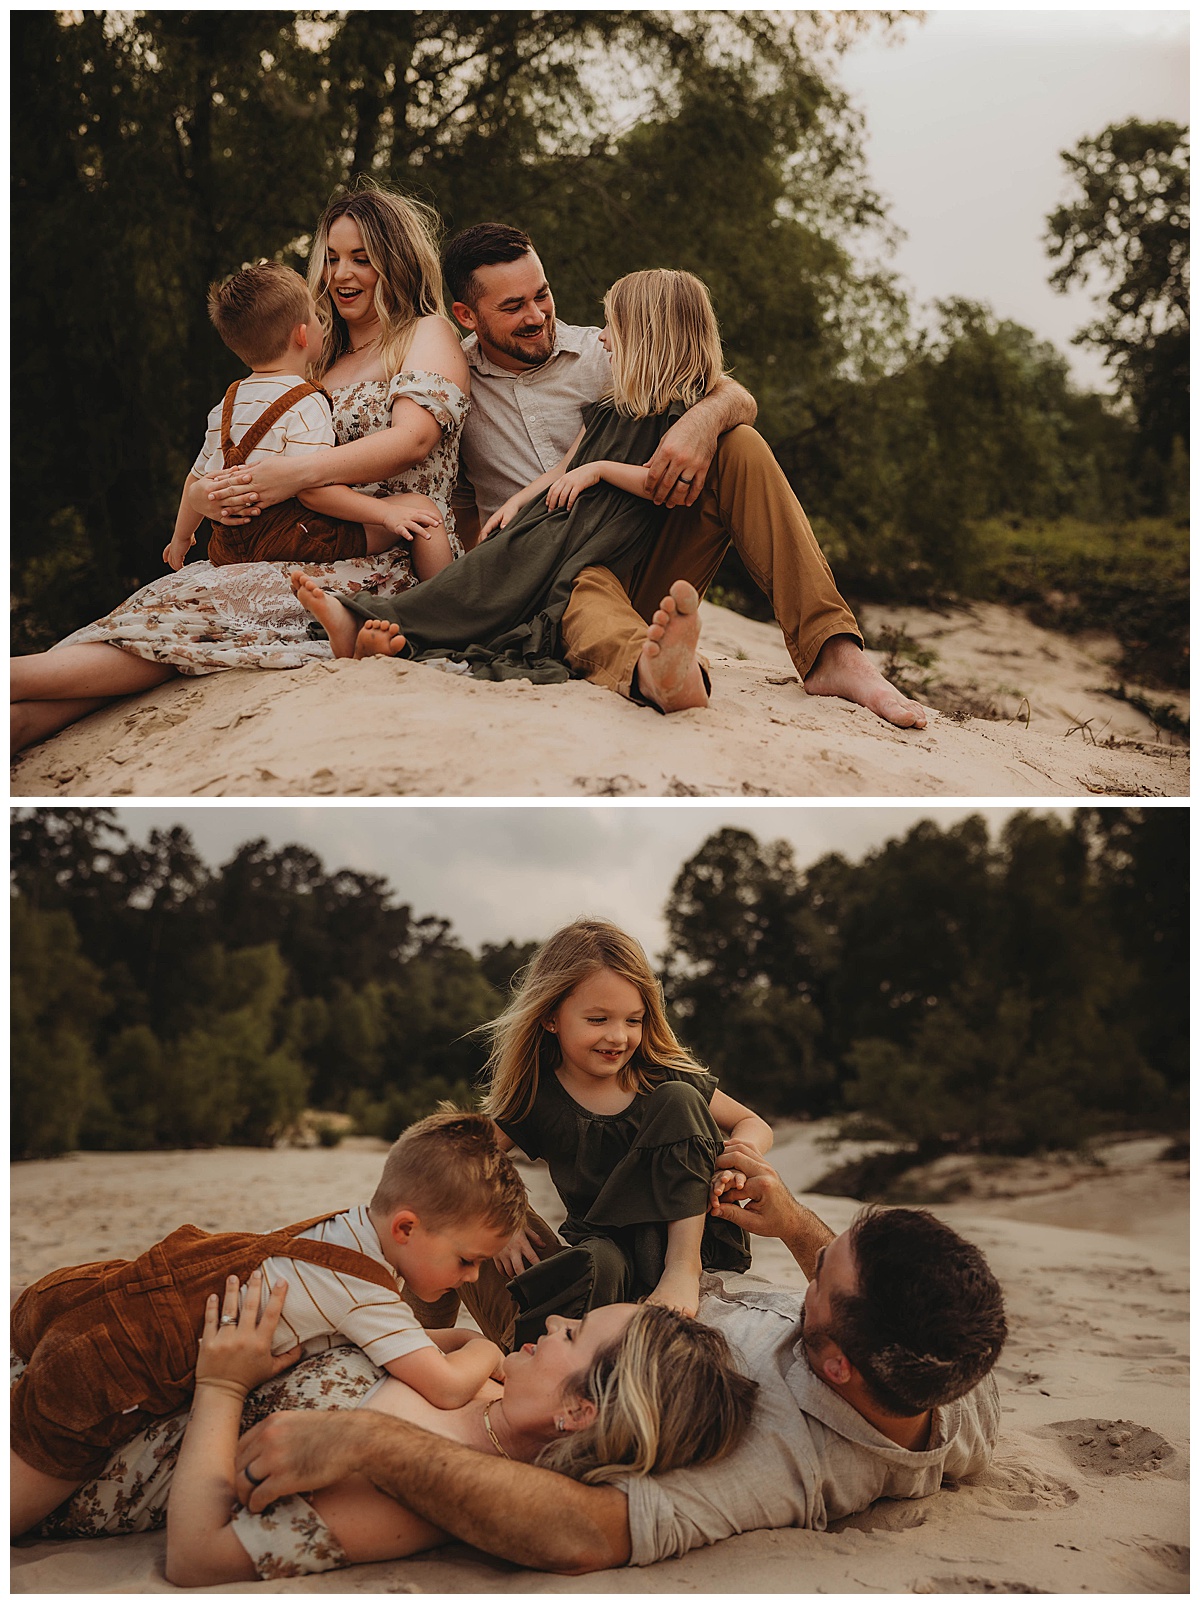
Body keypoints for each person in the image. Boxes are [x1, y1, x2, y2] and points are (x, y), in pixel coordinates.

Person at [229, 1145, 1006, 1573]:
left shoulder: (784, 1460)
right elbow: (860, 1292)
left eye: (821, 1279)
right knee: (460, 1164)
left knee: (439, 1206)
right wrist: (799, 1227)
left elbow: (585, 1533)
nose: (814, 1261)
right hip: (618, 1304)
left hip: (568, 1356)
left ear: (836, 1366)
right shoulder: (954, 1370)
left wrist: (372, 1443)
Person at [10, 179, 469, 756]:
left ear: (394, 260)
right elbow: (241, 456)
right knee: (167, 608)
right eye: (331, 258)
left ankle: (16, 676)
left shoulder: (423, 333)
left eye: (361, 258)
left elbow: (413, 440)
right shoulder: (311, 353)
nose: (341, 274)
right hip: (284, 540)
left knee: (195, 616)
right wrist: (209, 499)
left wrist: (294, 477)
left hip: (386, 550)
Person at [18, 1275, 757, 1585]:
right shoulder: (489, 1381)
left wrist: (220, 1384)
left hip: (63, 1458)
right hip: (94, 1374)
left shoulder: (417, 1495)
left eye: (572, 1335)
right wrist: (478, 1347)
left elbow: (197, 1556)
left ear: (578, 1412)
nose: (553, 1323)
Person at [10, 1111, 524, 1535]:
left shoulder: (341, 1233)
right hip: (110, 1373)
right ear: (406, 1227)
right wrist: (485, 1348)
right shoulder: (365, 1292)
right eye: (467, 1260)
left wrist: (450, 1335)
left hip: (87, 1298)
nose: (473, 1277)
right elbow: (448, 1388)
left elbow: (389, 1340)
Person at [288, 269, 729, 700]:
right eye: (513, 305)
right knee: (478, 578)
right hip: (553, 523)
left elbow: (659, 472)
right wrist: (516, 503)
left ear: (648, 337)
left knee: (494, 589)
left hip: (595, 538)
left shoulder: (666, 404)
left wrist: (600, 470)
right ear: (467, 315)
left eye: (542, 294)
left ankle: (373, 624)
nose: (602, 337)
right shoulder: (610, 402)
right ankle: (364, 626)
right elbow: (563, 468)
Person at [463, 918, 773, 1342]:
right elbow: (470, 1154)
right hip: (606, 1254)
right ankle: (520, 1355)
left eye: (633, 1020)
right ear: (551, 1017)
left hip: (690, 1236)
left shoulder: (659, 1076)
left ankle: (681, 1271)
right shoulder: (541, 1097)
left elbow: (752, 1122)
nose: (618, 1036)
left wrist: (739, 1156)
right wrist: (502, 1219)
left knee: (680, 1098)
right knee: (589, 1264)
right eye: (597, 1019)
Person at [166, 261, 453, 572]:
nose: (322, 321)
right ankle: (444, 612)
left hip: (228, 547)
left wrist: (182, 538)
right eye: (316, 317)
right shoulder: (306, 400)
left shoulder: (227, 403)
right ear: (302, 335)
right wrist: (385, 514)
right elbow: (314, 491)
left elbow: (196, 477)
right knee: (421, 508)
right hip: (296, 537)